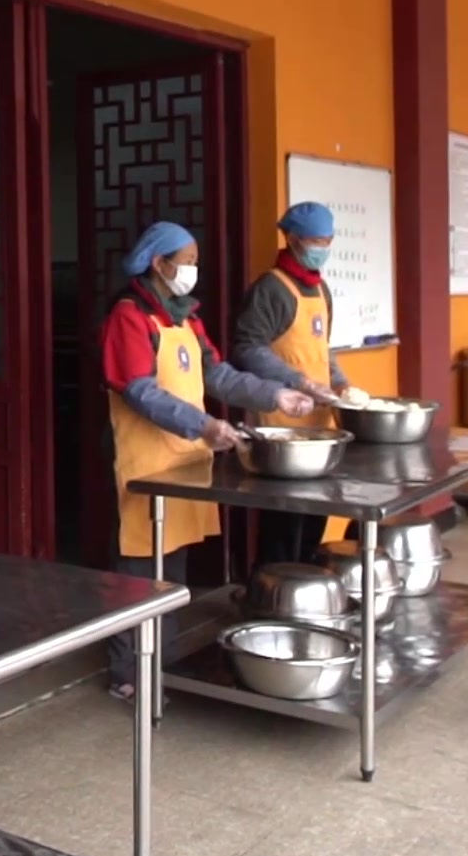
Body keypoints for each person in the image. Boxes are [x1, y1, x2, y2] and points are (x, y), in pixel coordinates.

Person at [101, 222, 316, 699]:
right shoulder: (129, 316)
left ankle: (163, 663)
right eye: (189, 260)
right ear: (159, 263)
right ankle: (125, 673)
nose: (194, 270)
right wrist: (203, 425)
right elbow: (138, 389)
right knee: (138, 572)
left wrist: (277, 394)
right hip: (142, 463)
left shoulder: (186, 318)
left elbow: (217, 374)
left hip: (184, 462)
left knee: (172, 570)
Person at [231, 201, 368, 566]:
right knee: (283, 519)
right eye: (315, 240)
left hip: (318, 426)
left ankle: (305, 589)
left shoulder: (321, 290)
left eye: (328, 240)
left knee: (314, 515)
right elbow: (246, 348)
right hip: (281, 426)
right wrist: (298, 382)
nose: (322, 248)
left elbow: (323, 350)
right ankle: (272, 590)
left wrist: (340, 385)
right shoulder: (271, 289)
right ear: (292, 239)